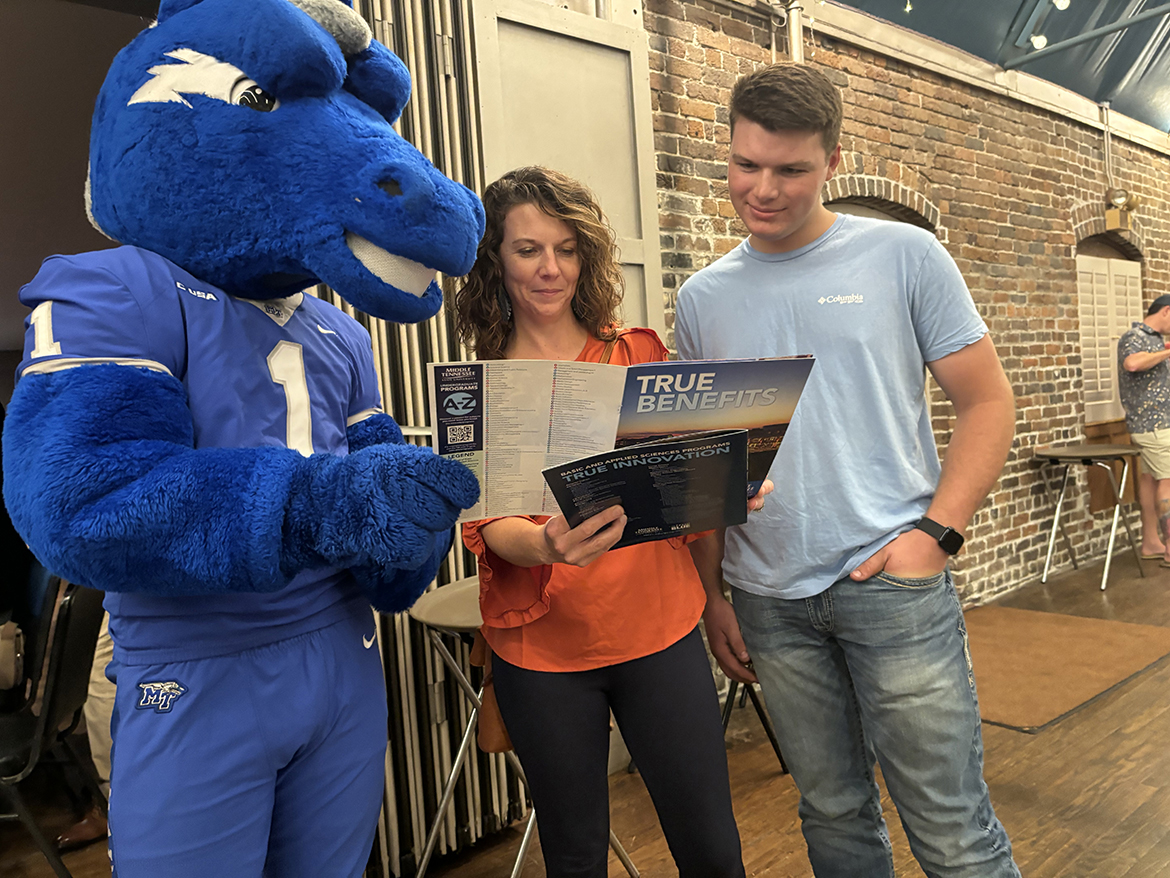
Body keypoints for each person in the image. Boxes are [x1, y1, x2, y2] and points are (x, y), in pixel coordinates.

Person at [675, 64, 1021, 878]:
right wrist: (712, 596)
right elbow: (705, 466)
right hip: (768, 601)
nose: (763, 188)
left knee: (952, 829)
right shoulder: (703, 298)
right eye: (745, 165)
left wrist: (935, 536)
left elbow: (987, 403)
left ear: (833, 161)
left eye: (790, 169)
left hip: (891, 585)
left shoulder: (905, 255)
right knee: (830, 814)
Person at [452, 166, 750, 878]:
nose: (549, 268)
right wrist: (548, 543)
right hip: (542, 654)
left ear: (586, 256)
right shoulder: (477, 387)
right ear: (495, 258)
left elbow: (691, 505)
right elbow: (490, 528)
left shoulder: (637, 354)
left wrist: (724, 488)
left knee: (711, 846)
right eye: (527, 249)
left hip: (661, 631)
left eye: (566, 248)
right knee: (575, 855)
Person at [1118, 294, 1170, 564]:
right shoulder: (1135, 336)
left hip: (1159, 424)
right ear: (1166, 311)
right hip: (1153, 424)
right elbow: (1133, 363)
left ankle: (1152, 542)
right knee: (1168, 480)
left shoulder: (1159, 342)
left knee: (1150, 480)